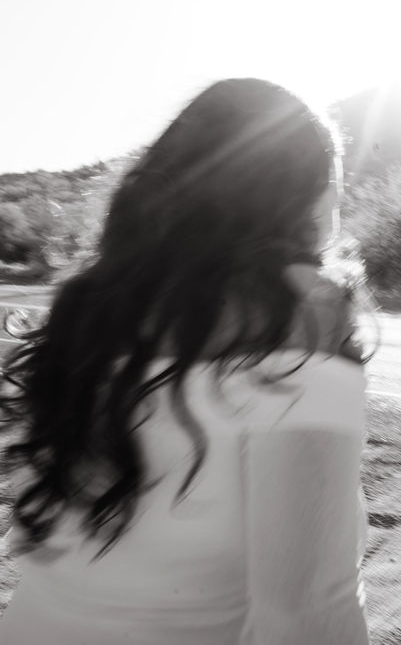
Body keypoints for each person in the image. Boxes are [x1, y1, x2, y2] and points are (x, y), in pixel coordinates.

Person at [0, 78, 372, 644]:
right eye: (334, 189)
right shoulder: (303, 311)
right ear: (299, 194)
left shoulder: (89, 306)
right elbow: (304, 612)